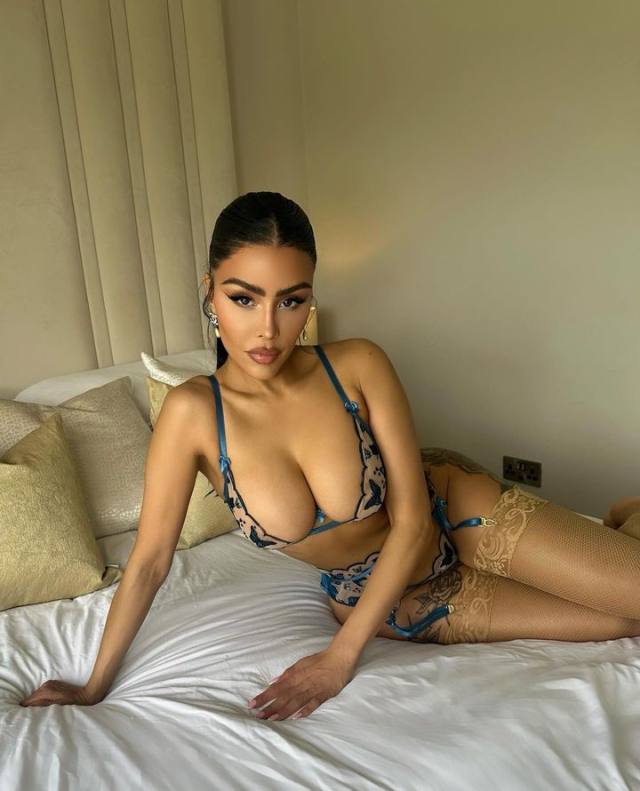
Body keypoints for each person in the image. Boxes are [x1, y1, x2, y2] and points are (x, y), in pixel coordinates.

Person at [20, 191, 640, 721]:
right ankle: (620, 527)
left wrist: (339, 658)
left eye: (291, 301)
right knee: (620, 624)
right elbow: (151, 562)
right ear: (209, 292)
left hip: (454, 515)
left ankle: (620, 526)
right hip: (387, 598)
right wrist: (93, 686)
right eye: (244, 299)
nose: (268, 329)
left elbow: (412, 520)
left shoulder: (358, 364)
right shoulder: (191, 414)